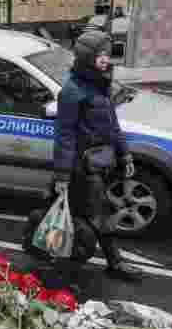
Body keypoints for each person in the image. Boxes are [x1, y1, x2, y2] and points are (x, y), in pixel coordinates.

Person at [52, 30, 142, 280]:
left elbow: (112, 125)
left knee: (79, 216)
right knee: (98, 215)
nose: (106, 60)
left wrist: (125, 155)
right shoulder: (71, 91)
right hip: (82, 167)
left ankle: (64, 264)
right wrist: (62, 175)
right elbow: (65, 135)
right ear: (87, 57)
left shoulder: (99, 84)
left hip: (100, 160)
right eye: (100, 56)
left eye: (107, 55)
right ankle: (113, 263)